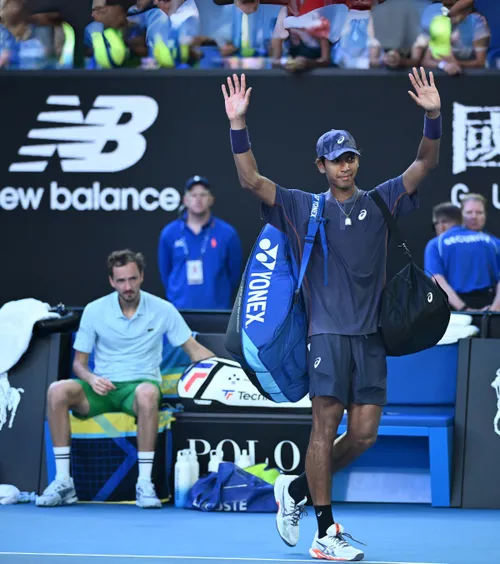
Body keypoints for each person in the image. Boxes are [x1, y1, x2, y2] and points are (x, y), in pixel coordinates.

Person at [221, 68, 441, 560]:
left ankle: (295, 489)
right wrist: (239, 125)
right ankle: (325, 532)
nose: (345, 166)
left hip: (371, 339)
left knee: (363, 435)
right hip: (325, 336)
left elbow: (425, 163)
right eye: (336, 160)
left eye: (351, 158)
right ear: (320, 165)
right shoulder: (301, 207)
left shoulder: (383, 199)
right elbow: (250, 179)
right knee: (324, 427)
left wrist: (433, 115)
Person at [36, 249, 213, 509]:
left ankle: (144, 483)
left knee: (147, 394)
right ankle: (64, 482)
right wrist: (91, 378)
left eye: (132, 279)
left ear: (141, 276)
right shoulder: (95, 310)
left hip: (139, 389)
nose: (127, 286)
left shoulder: (163, 309)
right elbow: (79, 364)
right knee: (57, 391)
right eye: (121, 281)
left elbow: (194, 350)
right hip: (102, 389)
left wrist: (228, 369)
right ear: (111, 281)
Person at [158, 175, 242, 310]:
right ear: (185, 200)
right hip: (179, 311)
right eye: (193, 195)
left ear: (211, 199)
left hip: (217, 311)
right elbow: (165, 273)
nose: (198, 199)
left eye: (203, 195)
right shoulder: (169, 233)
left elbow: (234, 275)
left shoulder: (227, 233)